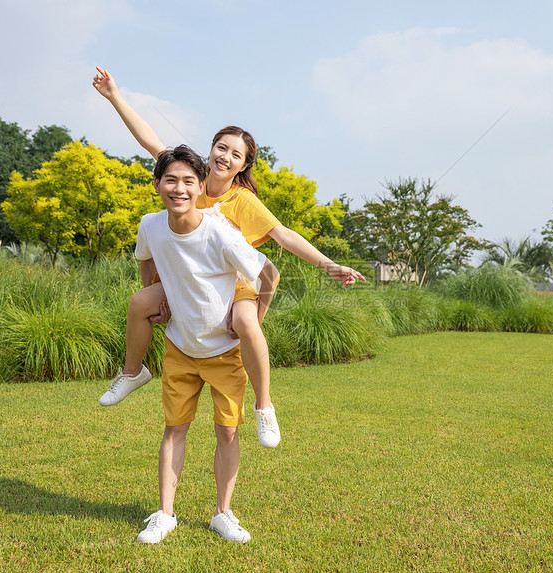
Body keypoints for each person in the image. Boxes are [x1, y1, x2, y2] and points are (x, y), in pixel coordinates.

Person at [93, 66, 365, 449]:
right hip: (186, 280)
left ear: (243, 165)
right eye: (221, 147)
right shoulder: (190, 179)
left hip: (233, 284)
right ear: (211, 149)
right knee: (140, 302)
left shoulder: (243, 201)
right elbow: (150, 139)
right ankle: (132, 372)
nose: (226, 156)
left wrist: (331, 266)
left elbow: (284, 236)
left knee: (246, 324)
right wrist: (114, 95)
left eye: (236, 154)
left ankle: (265, 407)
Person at [134, 144, 278, 544]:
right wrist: (157, 301)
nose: (179, 189)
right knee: (174, 428)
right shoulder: (153, 225)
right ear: (159, 185)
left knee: (228, 432)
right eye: (170, 180)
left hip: (224, 353)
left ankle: (223, 513)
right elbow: (147, 263)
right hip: (180, 347)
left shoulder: (220, 231)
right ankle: (164, 514)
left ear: (201, 188)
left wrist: (249, 320)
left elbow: (269, 273)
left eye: (187, 182)